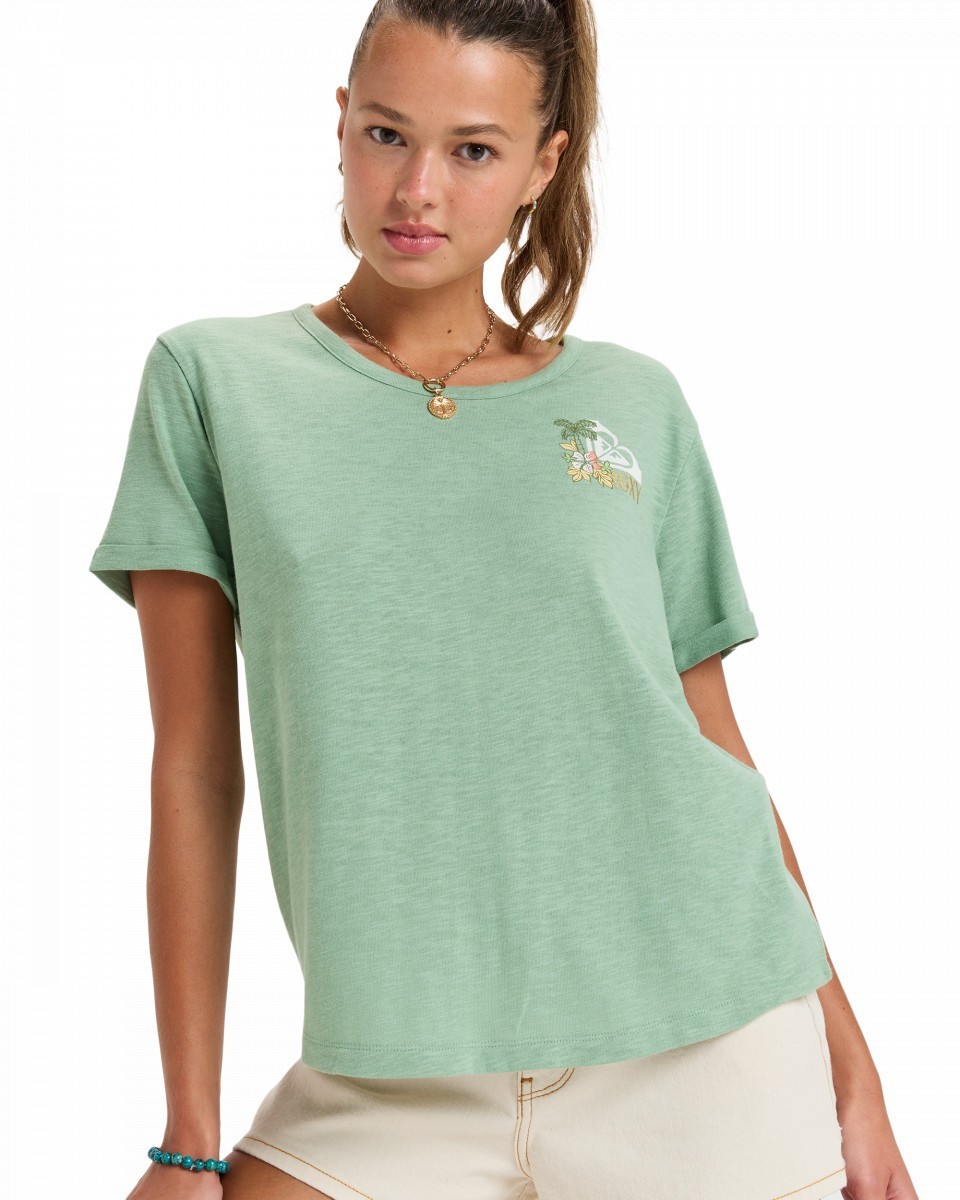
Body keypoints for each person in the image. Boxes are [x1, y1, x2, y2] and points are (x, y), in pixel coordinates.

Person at [89, 2, 919, 1199]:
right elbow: (194, 768)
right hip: (389, 1073)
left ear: (543, 164)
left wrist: (854, 1071)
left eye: (473, 150)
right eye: (386, 134)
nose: (416, 189)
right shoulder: (213, 383)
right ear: (340, 124)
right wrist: (187, 1134)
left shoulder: (633, 403)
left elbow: (711, 738)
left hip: (702, 1047)